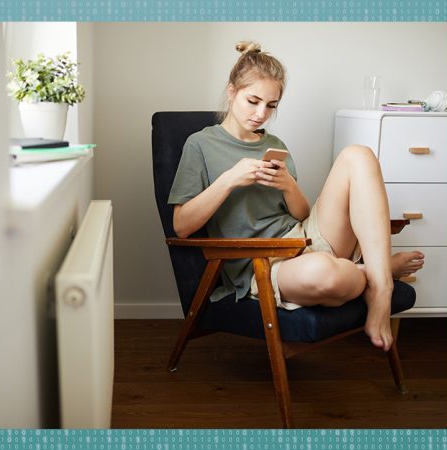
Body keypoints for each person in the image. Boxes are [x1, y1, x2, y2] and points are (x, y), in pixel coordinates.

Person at [167, 41, 424, 351]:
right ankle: (377, 268)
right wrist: (229, 179)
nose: (261, 114)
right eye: (253, 100)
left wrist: (288, 184)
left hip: (306, 237)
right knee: (324, 275)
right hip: (264, 265)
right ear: (232, 91)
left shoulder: (274, 143)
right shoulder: (200, 145)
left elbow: (301, 215)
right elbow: (182, 225)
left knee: (359, 155)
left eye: (271, 105)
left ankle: (380, 287)